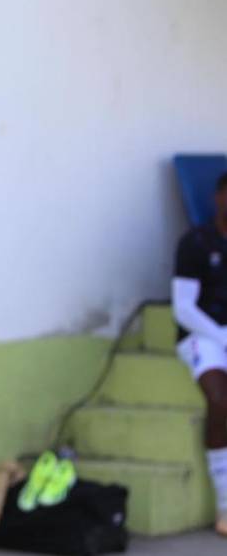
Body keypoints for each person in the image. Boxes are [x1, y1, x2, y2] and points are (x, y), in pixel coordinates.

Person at [172, 172, 227, 537]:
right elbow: (183, 308)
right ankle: (225, 504)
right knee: (220, 400)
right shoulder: (196, 242)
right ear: (219, 198)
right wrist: (220, 334)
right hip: (201, 337)